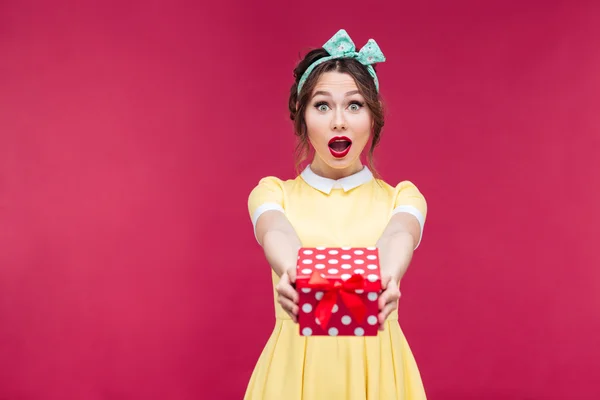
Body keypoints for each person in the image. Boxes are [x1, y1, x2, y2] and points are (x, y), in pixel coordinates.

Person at [244, 29, 428, 400]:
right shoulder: (273, 193)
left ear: (373, 118)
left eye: (355, 105)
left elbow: (399, 235)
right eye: (323, 105)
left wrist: (387, 278)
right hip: (294, 373)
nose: (339, 121)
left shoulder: (402, 198)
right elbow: (275, 230)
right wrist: (292, 272)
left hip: (380, 374)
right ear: (301, 113)